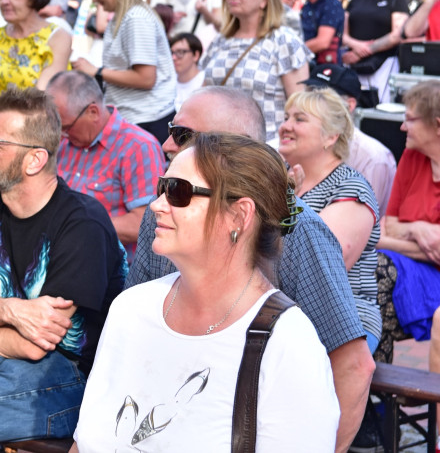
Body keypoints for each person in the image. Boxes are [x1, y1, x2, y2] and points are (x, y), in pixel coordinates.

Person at [127, 86, 376, 451]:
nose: (166, 144)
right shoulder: (163, 214)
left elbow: (353, 367)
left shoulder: (295, 230)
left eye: (183, 136)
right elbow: (139, 335)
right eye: (170, 130)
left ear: (236, 150)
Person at [73, 133, 339, 451]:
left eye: (178, 192)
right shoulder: (131, 308)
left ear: (239, 216)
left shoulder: (287, 344)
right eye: (162, 187)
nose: (157, 205)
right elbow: (85, 442)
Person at [0, 87, 126, 444]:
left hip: (71, 379)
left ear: (34, 160)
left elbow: (38, 343)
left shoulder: (83, 223)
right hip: (1, 354)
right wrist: (11, 310)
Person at [278, 87, 382, 352]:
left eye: (299, 120)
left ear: (331, 137)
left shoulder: (350, 188)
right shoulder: (282, 180)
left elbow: (318, 268)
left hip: (341, 320)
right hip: (283, 315)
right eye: (286, 117)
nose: (285, 126)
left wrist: (286, 200)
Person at [48, 70, 164, 249]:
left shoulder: (138, 147)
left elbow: (145, 223)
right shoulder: (66, 140)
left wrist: (77, 224)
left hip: (110, 265)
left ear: (93, 112)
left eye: (66, 127)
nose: (62, 135)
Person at [200, 0, 311, 143]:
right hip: (216, 148)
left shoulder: (283, 40)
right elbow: (205, 94)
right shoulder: (221, 40)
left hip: (263, 150)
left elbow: (298, 107)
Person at [72, 0, 175, 143]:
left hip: (147, 120)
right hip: (139, 118)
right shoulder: (125, 16)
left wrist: (96, 71)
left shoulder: (135, 18)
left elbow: (146, 78)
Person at [377, 80, 440, 372]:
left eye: (410, 119)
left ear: (437, 125)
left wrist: (394, 235)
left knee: (375, 279)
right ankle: (372, 394)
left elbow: (384, 237)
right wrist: (418, 229)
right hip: (410, 269)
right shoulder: (413, 157)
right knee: (367, 281)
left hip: (421, 277)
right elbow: (388, 227)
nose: (402, 127)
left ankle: (372, 396)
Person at [301, 63, 396, 214]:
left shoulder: (373, 158)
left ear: (350, 105)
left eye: (322, 98)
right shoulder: (286, 144)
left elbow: (367, 226)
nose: (310, 103)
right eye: (309, 94)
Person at [342, 0, 408, 101]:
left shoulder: (396, 0)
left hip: (383, 65)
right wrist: (356, 46)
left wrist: (364, 50)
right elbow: (343, 32)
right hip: (353, 63)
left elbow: (397, 35)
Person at [297, 0, 345, 65]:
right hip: (306, 64)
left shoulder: (331, 5)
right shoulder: (309, 3)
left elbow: (322, 42)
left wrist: (292, 52)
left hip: (322, 72)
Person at [169, 32, 204, 110]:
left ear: (196, 55)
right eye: (172, 53)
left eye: (180, 52)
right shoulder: (168, 79)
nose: (173, 58)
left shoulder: (206, 82)